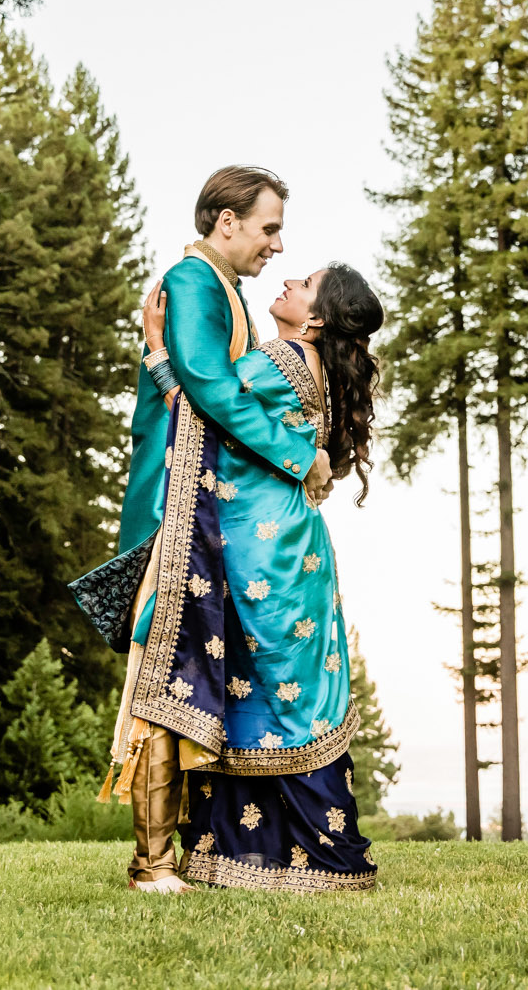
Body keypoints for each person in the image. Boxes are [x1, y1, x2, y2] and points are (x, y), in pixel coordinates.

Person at [97, 165, 331, 893]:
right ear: (225, 221)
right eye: (268, 228)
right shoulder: (194, 282)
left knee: (188, 674)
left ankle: (178, 856)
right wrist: (302, 455)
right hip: (178, 505)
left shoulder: (225, 291)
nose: (278, 246)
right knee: (165, 673)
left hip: (207, 510)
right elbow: (215, 388)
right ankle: (152, 864)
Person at [140, 259, 385, 892]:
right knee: (288, 692)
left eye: (304, 285)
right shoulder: (320, 371)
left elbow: (207, 402)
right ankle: (279, 854)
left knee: (270, 695)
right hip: (292, 549)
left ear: (319, 317)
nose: (289, 281)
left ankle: (301, 857)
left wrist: (159, 352)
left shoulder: (282, 357)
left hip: (261, 550)